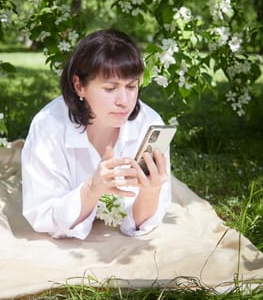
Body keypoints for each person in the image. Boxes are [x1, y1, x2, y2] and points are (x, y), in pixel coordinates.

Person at [21, 29, 172, 240]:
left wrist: (151, 191)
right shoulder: (48, 126)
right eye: (110, 88)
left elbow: (141, 223)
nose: (124, 101)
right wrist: (92, 189)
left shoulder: (149, 124)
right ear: (79, 86)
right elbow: (43, 216)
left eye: (131, 86)